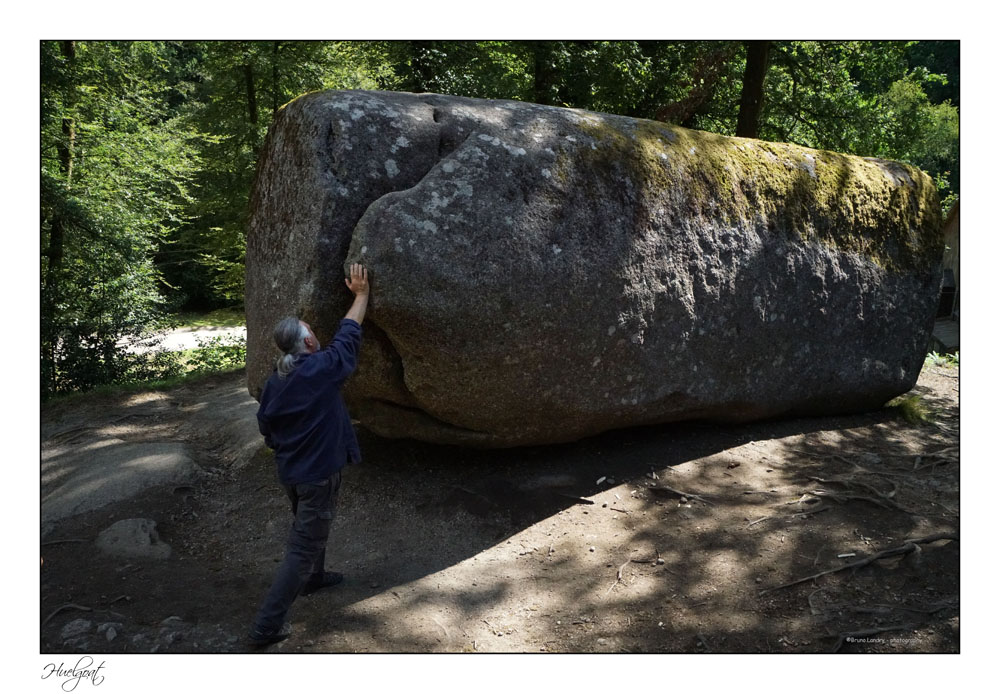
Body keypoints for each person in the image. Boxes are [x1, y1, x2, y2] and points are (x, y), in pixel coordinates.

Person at [247, 263, 370, 646]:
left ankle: (314, 579)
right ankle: (267, 625)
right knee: (302, 546)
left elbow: (265, 423)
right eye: (313, 333)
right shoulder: (318, 369)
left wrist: (281, 448)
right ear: (310, 344)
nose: (317, 335)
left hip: (293, 473)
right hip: (316, 474)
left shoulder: (276, 379)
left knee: (309, 527)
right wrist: (362, 295)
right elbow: (348, 336)